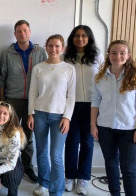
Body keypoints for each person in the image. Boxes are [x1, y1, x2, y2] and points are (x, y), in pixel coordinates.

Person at [27, 34, 76, 196]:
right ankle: (44, 183)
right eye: (50, 46)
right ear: (46, 47)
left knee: (55, 155)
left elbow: (71, 96)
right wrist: (30, 114)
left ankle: (56, 190)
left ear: (63, 48)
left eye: (57, 46)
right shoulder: (38, 68)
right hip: (40, 114)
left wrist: (67, 117)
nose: (53, 49)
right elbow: (33, 92)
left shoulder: (69, 69)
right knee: (41, 152)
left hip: (60, 117)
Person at [0, 19, 46, 183]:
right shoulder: (7, 53)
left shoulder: (40, 52)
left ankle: (27, 168)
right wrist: (1, 102)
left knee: (28, 136)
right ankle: (7, 167)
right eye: (19, 31)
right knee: (9, 134)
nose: (22, 33)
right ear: (15, 34)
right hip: (12, 99)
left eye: (25, 30)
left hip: (34, 101)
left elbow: (46, 75)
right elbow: (2, 78)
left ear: (30, 32)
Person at [91, 40, 136, 196]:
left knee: (128, 169)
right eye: (114, 53)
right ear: (108, 55)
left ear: (128, 55)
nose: (118, 56)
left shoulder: (134, 77)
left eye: (122, 53)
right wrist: (93, 125)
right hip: (105, 128)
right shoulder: (100, 77)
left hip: (129, 129)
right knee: (110, 165)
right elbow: (96, 101)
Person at [63, 25, 103, 195]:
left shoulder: (97, 56)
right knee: (71, 142)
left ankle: (83, 179)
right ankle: (69, 176)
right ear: (72, 38)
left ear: (89, 38)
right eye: (77, 35)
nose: (80, 38)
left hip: (91, 105)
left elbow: (103, 80)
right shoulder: (66, 57)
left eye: (84, 36)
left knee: (87, 143)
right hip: (71, 104)